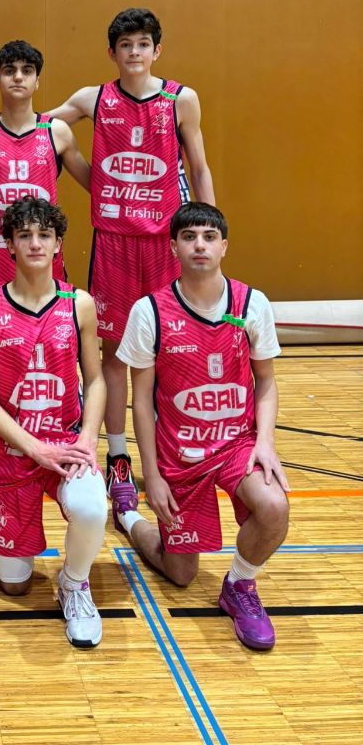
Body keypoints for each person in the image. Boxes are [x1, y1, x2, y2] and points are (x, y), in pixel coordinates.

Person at [43, 8, 215, 520]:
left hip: (163, 243)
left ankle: (168, 453)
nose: (134, 52)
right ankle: (118, 457)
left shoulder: (180, 99)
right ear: (112, 52)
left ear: (157, 50)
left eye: (143, 44)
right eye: (125, 45)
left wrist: (210, 231)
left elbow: (199, 166)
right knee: (115, 355)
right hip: (114, 243)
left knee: (168, 353)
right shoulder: (92, 99)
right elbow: (32, 124)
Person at [115, 202, 289, 650]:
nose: (200, 245)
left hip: (236, 446)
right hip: (180, 455)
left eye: (209, 237)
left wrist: (265, 443)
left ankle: (240, 586)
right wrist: (151, 475)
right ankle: (129, 517)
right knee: (181, 574)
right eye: (189, 236)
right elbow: (141, 402)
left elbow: (266, 381)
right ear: (173, 246)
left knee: (274, 507)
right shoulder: (149, 312)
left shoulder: (252, 304)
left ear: (224, 246)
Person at [0, 197, 108, 648]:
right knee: (16, 587)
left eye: (44, 235)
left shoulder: (79, 303)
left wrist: (89, 438)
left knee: (92, 507)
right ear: (9, 244)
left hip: (66, 443)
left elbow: (96, 380)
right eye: (24, 235)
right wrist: (33, 447)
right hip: (14, 450)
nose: (34, 243)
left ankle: (74, 583)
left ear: (58, 243)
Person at [0, 40, 90, 299]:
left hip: (44, 261)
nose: (18, 77)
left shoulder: (57, 132)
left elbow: (96, 185)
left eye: (27, 70)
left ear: (37, 81)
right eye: (9, 70)